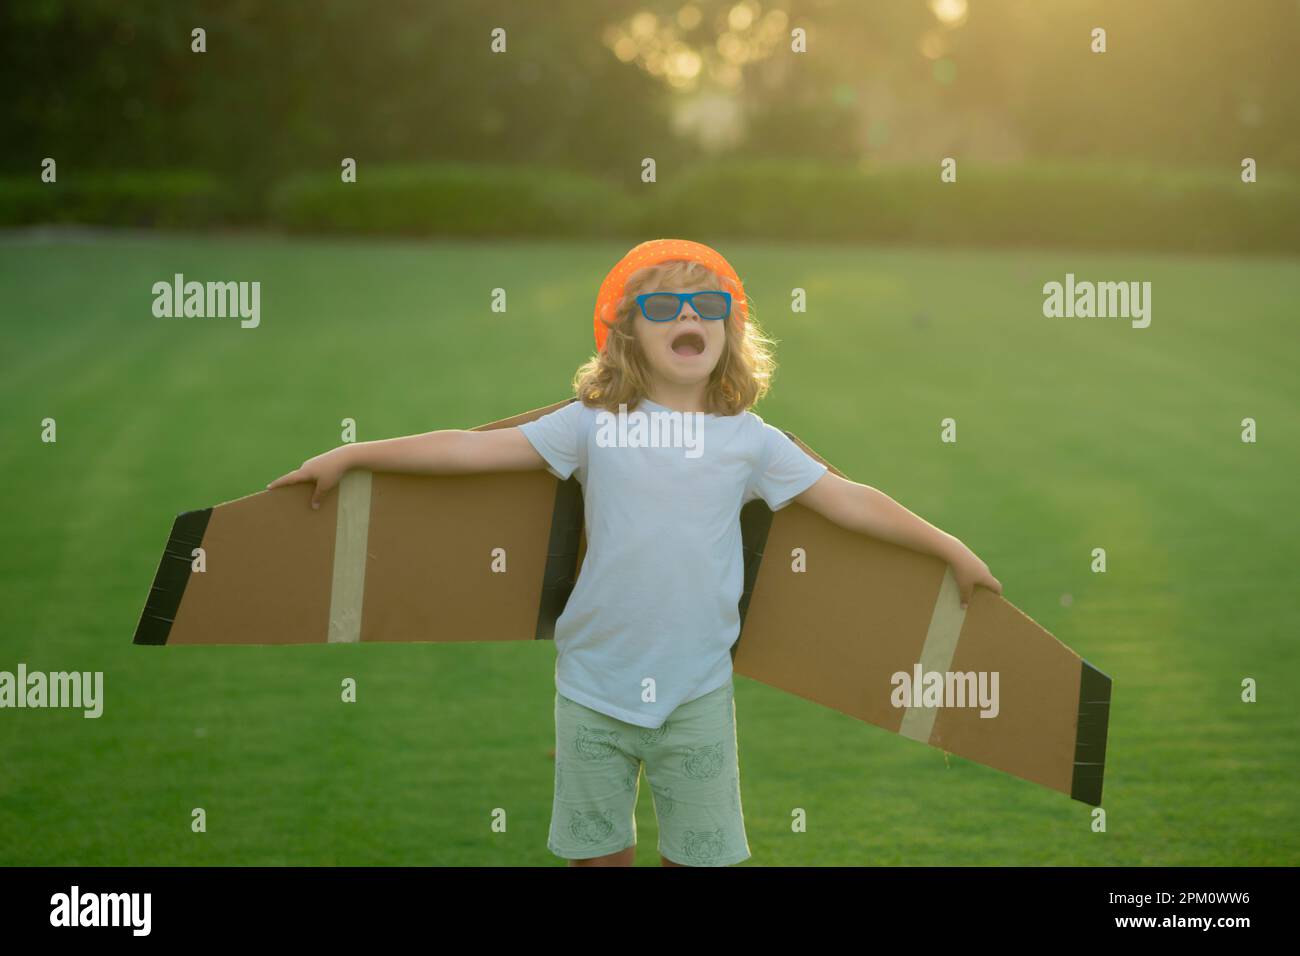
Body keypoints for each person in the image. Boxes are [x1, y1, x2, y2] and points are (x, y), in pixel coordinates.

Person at [268, 238, 1002, 867]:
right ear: (628, 335)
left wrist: (949, 547)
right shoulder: (593, 425)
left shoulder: (749, 440)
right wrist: (355, 454)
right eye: (664, 308)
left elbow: (849, 499)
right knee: (598, 857)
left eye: (709, 308)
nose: (690, 317)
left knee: (702, 856)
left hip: (697, 695)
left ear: (729, 333)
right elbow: (469, 448)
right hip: (593, 688)